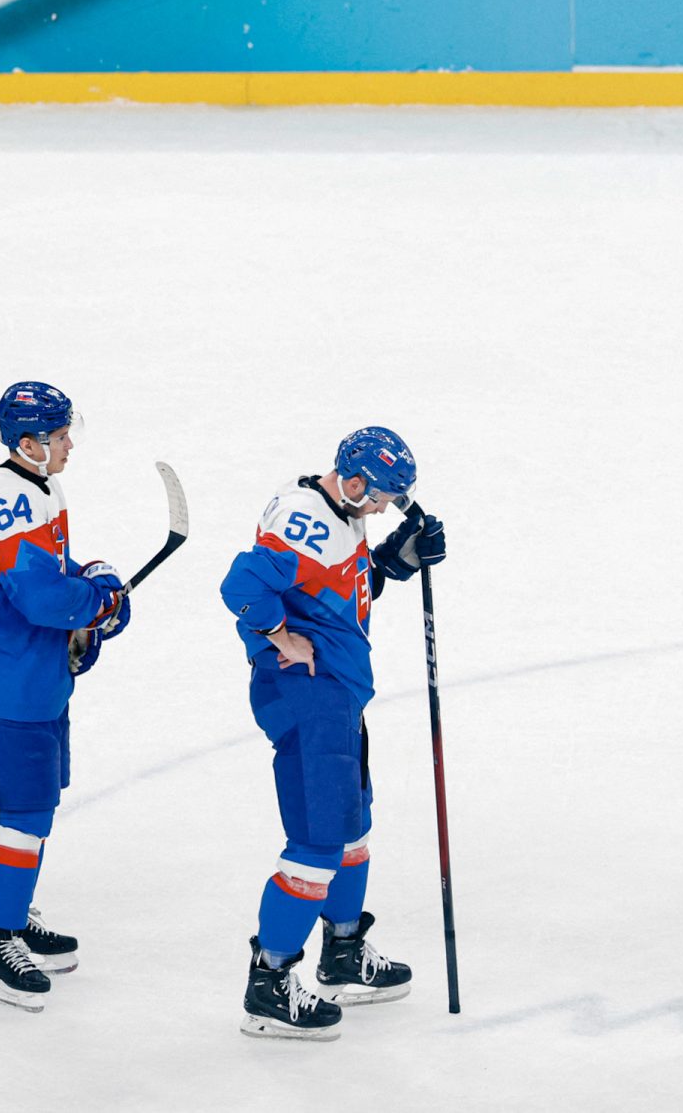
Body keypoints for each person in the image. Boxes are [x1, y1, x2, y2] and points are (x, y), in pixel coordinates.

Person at [221, 426, 445, 1041]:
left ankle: (343, 952)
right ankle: (269, 984)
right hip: (307, 695)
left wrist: (395, 558)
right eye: (378, 499)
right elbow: (242, 586)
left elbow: (336, 590)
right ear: (351, 482)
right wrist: (278, 636)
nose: (381, 509)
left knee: (351, 827)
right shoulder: (306, 521)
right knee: (319, 841)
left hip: (338, 691)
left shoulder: (339, 511)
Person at [0, 382, 131, 1012]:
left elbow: (49, 577)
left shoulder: (41, 486)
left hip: (28, 668)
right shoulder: (3, 498)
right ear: (27, 443)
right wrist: (94, 604)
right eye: (60, 434)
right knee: (26, 807)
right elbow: (36, 597)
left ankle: (14, 912)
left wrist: (84, 591)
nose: (71, 443)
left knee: (40, 799)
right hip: (4, 675)